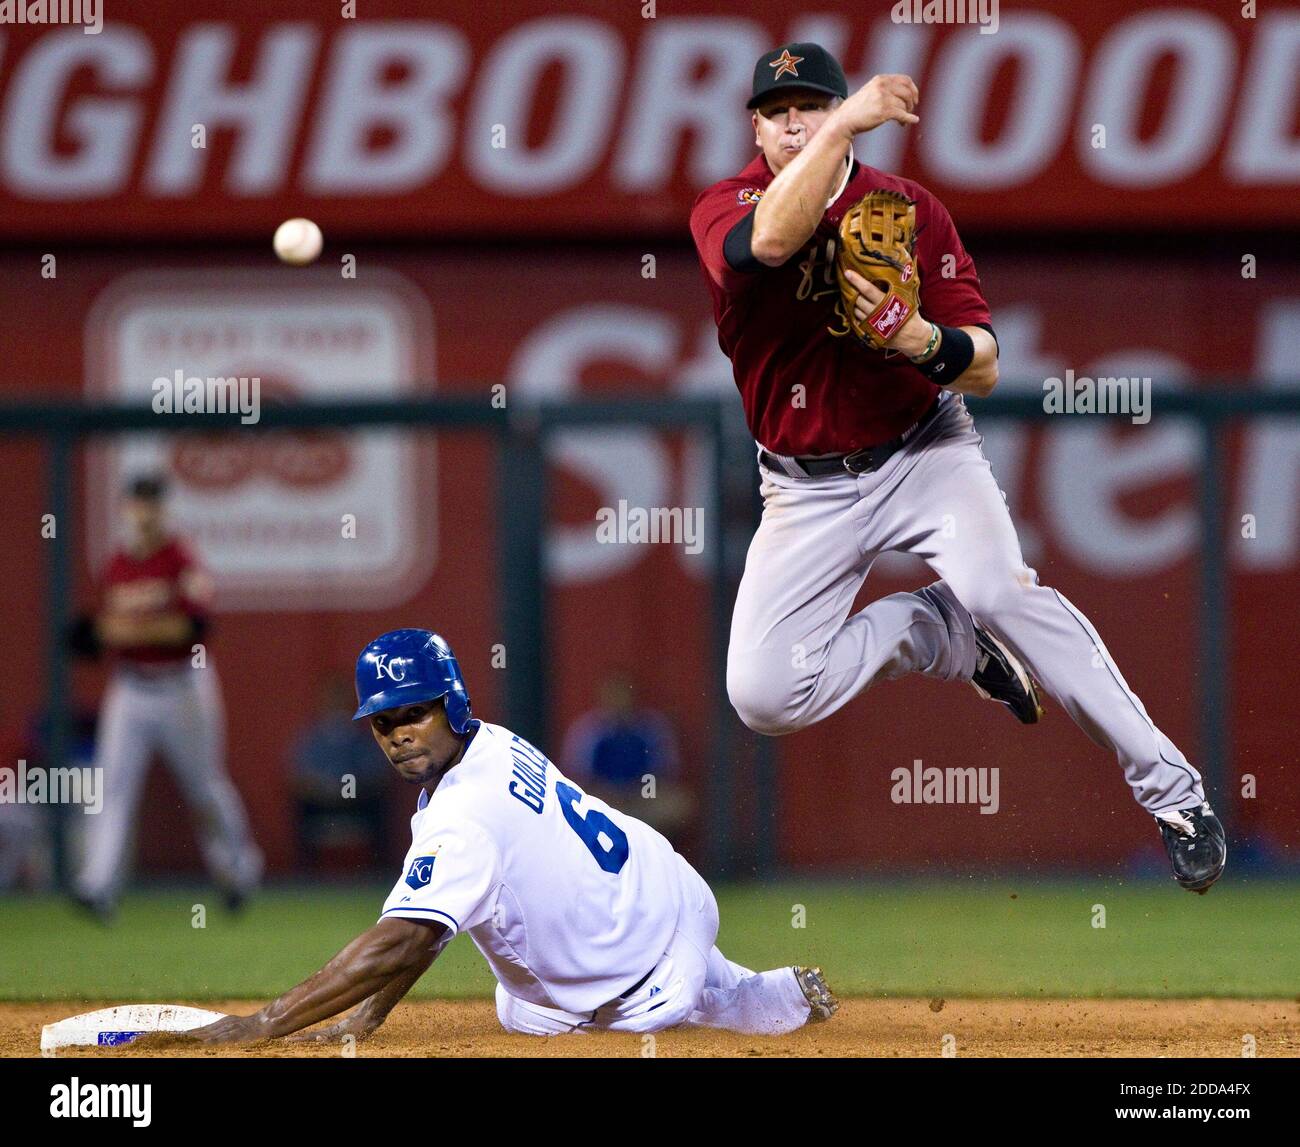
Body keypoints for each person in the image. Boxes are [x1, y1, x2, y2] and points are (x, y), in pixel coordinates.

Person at [687, 43, 1225, 893]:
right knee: (765, 696)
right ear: (755, 125)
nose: (795, 122)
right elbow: (772, 241)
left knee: (1005, 592)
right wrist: (849, 125)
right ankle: (934, 632)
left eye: (811, 106)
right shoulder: (727, 204)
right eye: (778, 110)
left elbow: (985, 362)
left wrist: (921, 341)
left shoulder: (907, 207)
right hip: (803, 487)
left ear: (832, 111)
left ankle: (1175, 795)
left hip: (925, 451)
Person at [190, 629, 836, 1044]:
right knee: (512, 988)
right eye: (383, 723)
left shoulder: (461, 816)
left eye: (414, 712)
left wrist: (262, 1024)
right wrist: (366, 1015)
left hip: (645, 984)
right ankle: (758, 990)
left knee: (528, 1003)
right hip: (671, 892)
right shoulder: (492, 740)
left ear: (453, 703)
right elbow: (427, 927)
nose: (398, 734)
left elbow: (401, 940)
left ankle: (718, 998)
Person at [70, 474, 262, 921]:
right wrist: (124, 631)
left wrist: (123, 630)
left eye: (153, 504)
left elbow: (192, 628)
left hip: (184, 685)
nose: (145, 512)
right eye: (138, 503)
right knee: (112, 787)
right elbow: (91, 636)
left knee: (206, 788)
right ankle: (97, 884)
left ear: (165, 510)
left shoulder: (181, 560)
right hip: (131, 685)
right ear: (125, 508)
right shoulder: (115, 565)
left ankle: (237, 873)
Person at [560, 673, 694, 837]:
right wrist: (608, 796)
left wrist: (644, 794)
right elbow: (579, 779)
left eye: (623, 694)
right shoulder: (588, 730)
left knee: (678, 803)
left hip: (641, 798)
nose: (618, 700)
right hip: (604, 799)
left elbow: (660, 773)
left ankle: (652, 844)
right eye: (613, 695)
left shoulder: (650, 727)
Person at [291, 674, 393, 872]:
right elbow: (299, 774)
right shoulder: (313, 740)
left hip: (358, 804)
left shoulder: (364, 739)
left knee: (379, 804)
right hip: (321, 805)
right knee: (302, 807)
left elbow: (376, 774)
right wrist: (324, 788)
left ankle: (377, 872)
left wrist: (346, 790)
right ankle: (305, 873)